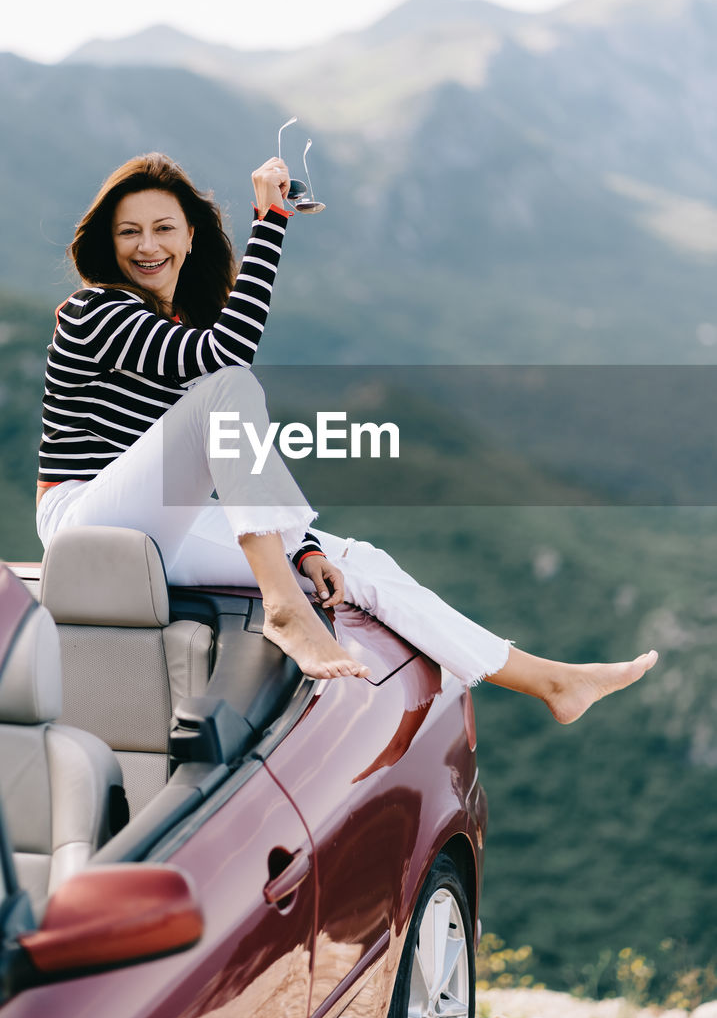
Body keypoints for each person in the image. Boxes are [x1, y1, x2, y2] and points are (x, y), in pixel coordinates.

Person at [36, 151, 657, 721]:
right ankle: (284, 608)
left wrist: (302, 547)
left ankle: (550, 682)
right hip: (84, 521)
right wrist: (272, 223)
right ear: (107, 243)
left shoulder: (177, 325)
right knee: (231, 387)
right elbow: (228, 357)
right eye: (129, 232)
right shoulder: (94, 312)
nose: (148, 246)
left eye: (164, 228)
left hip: (162, 519)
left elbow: (231, 458)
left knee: (358, 562)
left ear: (190, 236)